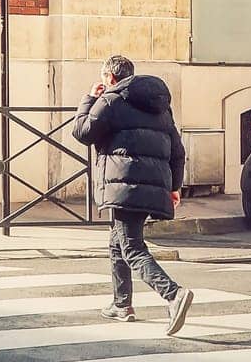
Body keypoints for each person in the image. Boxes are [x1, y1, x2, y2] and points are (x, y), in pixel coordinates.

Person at [73, 55, 194, 334]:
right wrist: (174, 186)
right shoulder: (161, 107)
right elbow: (178, 150)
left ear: (111, 78)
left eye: (104, 79)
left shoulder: (110, 100)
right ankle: (121, 304)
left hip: (125, 185)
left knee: (131, 247)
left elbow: (82, 132)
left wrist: (89, 99)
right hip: (152, 184)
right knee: (118, 242)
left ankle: (173, 295)